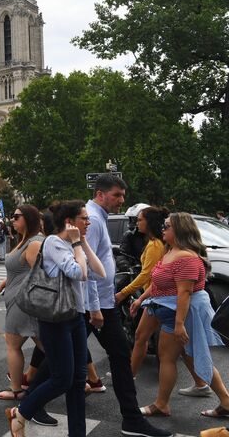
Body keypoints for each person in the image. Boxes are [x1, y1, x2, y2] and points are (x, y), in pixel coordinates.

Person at [7, 200, 106, 437]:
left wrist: (81, 244)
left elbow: (99, 272)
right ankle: (21, 413)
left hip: (75, 316)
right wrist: (76, 244)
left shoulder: (75, 244)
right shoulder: (53, 242)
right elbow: (78, 273)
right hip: (55, 319)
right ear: (70, 222)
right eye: (84, 218)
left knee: (77, 380)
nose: (89, 221)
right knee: (62, 379)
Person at [84, 174, 172, 437]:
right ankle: (27, 406)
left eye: (123, 195)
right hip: (97, 303)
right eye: (117, 195)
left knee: (115, 356)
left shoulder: (98, 217)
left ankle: (132, 419)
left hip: (102, 301)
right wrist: (96, 307)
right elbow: (87, 267)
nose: (122, 201)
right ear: (100, 194)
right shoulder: (94, 219)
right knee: (69, 357)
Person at [132, 213, 229, 418]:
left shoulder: (186, 257)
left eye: (167, 226)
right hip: (165, 308)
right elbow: (158, 282)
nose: (163, 228)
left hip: (179, 313)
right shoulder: (170, 250)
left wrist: (179, 325)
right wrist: (141, 300)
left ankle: (161, 404)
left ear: (180, 230)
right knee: (192, 355)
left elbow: (184, 293)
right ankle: (225, 401)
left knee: (169, 358)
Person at [0, 205, 44, 401]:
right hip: (17, 300)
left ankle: (16, 390)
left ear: (28, 219)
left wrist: (25, 295)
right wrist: (2, 284)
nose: (12, 220)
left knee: (13, 343)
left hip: (22, 303)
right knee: (48, 345)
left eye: (16, 217)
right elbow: (18, 270)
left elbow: (39, 275)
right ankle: (76, 380)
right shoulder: (24, 240)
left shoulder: (34, 243)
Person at [116, 206, 170, 377]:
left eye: (140, 220)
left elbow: (147, 274)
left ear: (150, 222)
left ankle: (130, 375)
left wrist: (124, 292)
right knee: (141, 337)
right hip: (154, 295)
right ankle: (130, 373)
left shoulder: (155, 245)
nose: (136, 223)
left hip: (157, 296)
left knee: (144, 338)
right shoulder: (154, 242)